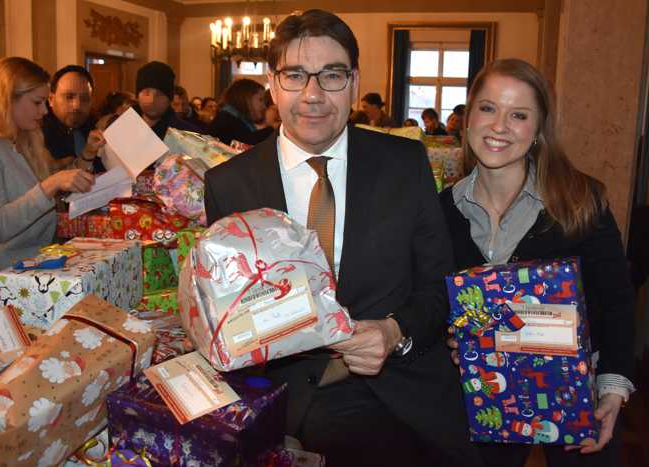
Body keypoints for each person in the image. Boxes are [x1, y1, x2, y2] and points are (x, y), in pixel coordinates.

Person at [204, 10, 480, 467]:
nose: (313, 95)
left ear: (353, 82)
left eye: (331, 75)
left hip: (391, 390)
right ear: (272, 84)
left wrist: (395, 332)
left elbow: (439, 289)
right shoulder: (228, 184)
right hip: (280, 396)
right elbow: (230, 316)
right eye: (295, 75)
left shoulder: (404, 164)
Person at [439, 58, 635, 467]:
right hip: (480, 396)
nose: (499, 126)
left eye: (519, 115)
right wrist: (450, 337)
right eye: (488, 108)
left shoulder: (582, 201)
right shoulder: (440, 211)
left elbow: (618, 303)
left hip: (576, 395)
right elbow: (431, 301)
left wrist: (613, 389)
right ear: (468, 114)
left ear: (539, 128)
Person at [0, 57, 94, 282]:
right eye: (37, 102)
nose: (44, 111)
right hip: (0, 277)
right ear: (8, 99)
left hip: (30, 264)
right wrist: (52, 184)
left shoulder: (18, 137)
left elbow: (38, 191)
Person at [42, 65, 105, 173]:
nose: (77, 105)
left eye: (85, 99)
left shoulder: (95, 128)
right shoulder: (37, 135)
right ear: (51, 99)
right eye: (69, 97)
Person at [134, 61, 206, 139]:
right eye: (146, 93)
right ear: (137, 96)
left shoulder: (188, 136)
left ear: (170, 99)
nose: (152, 100)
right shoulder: (123, 127)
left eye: (160, 94)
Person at [207, 79, 273, 146]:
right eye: (260, 99)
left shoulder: (233, 118)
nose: (264, 106)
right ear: (246, 99)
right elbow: (248, 144)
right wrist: (273, 128)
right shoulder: (227, 121)